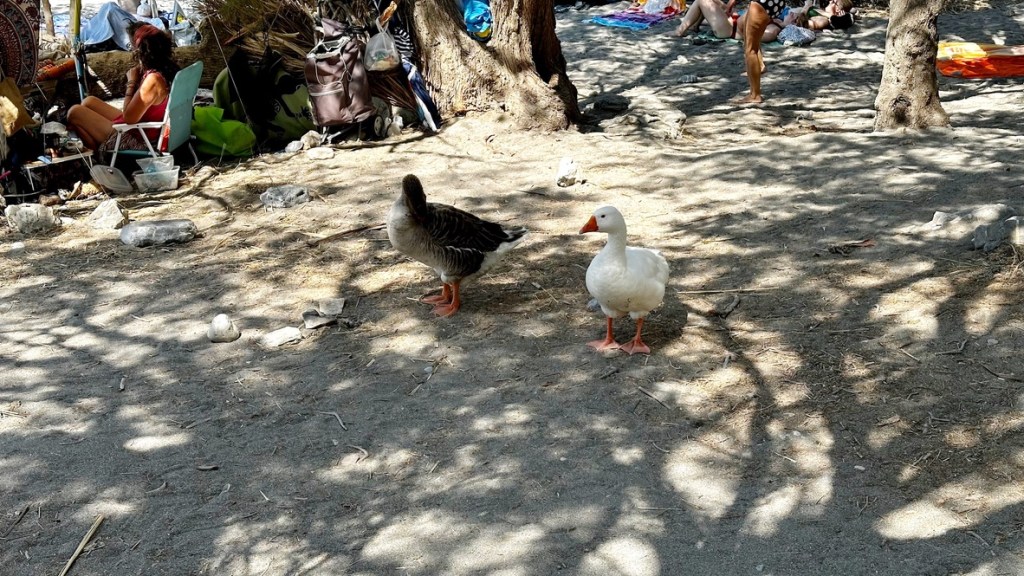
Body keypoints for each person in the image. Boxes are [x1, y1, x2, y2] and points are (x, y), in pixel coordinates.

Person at [66, 23, 179, 153]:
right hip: (144, 127)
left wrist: (131, 83)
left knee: (74, 112)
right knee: (88, 101)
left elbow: (128, 118)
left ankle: (97, 152)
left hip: (140, 140)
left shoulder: (153, 80)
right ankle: (95, 148)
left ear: (140, 51)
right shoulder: (166, 68)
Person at [675, 0, 802, 44]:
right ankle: (694, 27)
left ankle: (679, 32)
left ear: (794, 25)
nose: (792, 13)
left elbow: (749, 35)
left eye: (794, 17)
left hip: (728, 30)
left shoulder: (774, 30)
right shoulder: (777, 20)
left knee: (701, 1)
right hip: (732, 21)